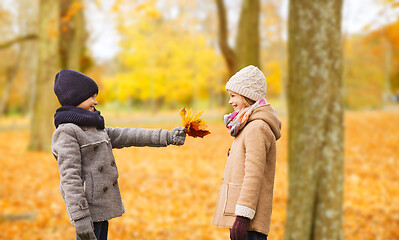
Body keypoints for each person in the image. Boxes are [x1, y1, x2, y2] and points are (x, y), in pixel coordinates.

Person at [51, 69, 186, 240]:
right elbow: (70, 178)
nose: (96, 101)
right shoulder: (67, 132)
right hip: (87, 211)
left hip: (101, 207)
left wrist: (166, 136)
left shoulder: (95, 126)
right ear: (75, 98)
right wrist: (80, 217)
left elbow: (129, 135)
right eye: (91, 97)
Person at [213, 65, 282, 240]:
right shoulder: (247, 125)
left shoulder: (257, 128)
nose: (230, 101)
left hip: (248, 219)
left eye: (233, 96)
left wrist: (243, 216)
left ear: (247, 96)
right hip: (241, 216)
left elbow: (253, 175)